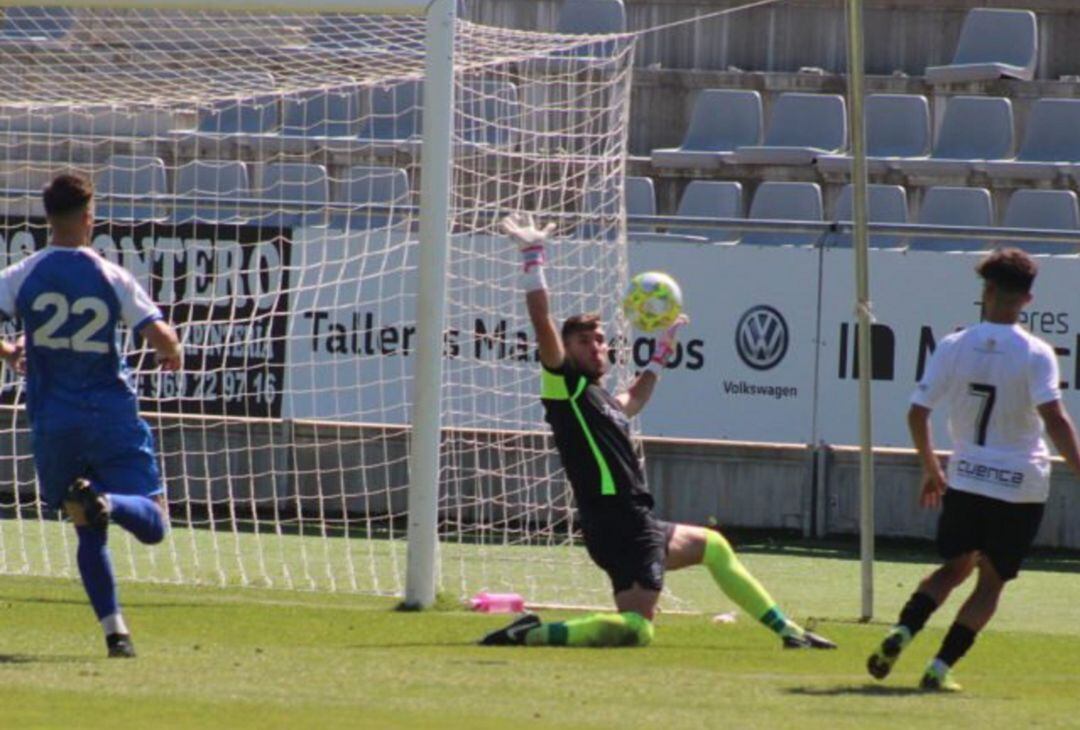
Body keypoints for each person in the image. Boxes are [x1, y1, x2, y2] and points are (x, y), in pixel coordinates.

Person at [480, 213, 835, 649]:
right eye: (584, 342)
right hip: (618, 522)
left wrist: (660, 356)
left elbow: (634, 399)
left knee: (714, 547)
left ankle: (789, 632)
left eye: (600, 340)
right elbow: (541, 321)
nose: (596, 347)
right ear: (567, 352)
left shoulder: (600, 399)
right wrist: (533, 256)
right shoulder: (564, 386)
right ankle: (532, 633)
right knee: (636, 629)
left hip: (632, 520)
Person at [867, 247, 1080, 691]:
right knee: (991, 583)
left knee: (953, 567)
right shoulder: (1036, 352)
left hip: (966, 476)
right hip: (1020, 484)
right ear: (1027, 299)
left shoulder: (954, 345)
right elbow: (1055, 419)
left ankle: (903, 630)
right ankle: (939, 668)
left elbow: (916, 412)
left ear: (986, 291)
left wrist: (931, 468)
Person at [0, 173, 182, 658]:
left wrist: (8, 349)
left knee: (85, 523)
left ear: (47, 217)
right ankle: (111, 502)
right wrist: (173, 351)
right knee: (154, 523)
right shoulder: (110, 275)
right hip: (110, 414)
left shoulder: (22, 275)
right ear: (89, 217)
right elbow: (160, 337)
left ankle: (115, 633)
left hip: (54, 420)